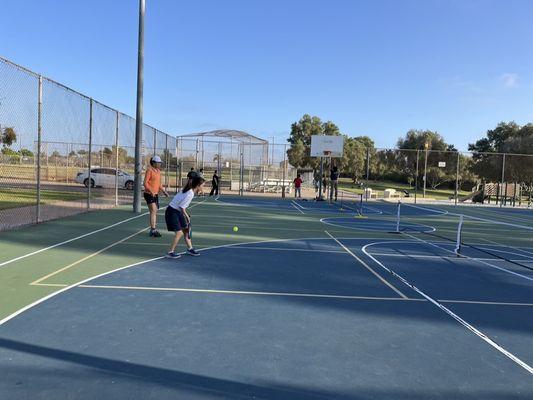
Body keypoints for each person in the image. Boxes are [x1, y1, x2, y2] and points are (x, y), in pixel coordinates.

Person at [165, 176, 205, 258]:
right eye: (202, 185)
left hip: (177, 211)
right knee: (179, 233)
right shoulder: (190, 193)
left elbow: (181, 207)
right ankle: (170, 252)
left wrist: (185, 215)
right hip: (172, 212)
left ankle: (190, 249)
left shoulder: (188, 190)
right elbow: (182, 208)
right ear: (198, 185)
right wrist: (187, 216)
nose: (203, 187)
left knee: (186, 230)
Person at [143, 155, 169, 237]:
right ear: (154, 163)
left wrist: (164, 191)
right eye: (158, 163)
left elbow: (159, 184)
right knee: (153, 210)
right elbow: (145, 183)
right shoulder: (149, 171)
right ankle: (153, 230)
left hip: (155, 194)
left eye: (160, 163)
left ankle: (153, 229)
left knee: (154, 211)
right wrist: (151, 191)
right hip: (148, 194)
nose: (160, 164)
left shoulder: (158, 172)